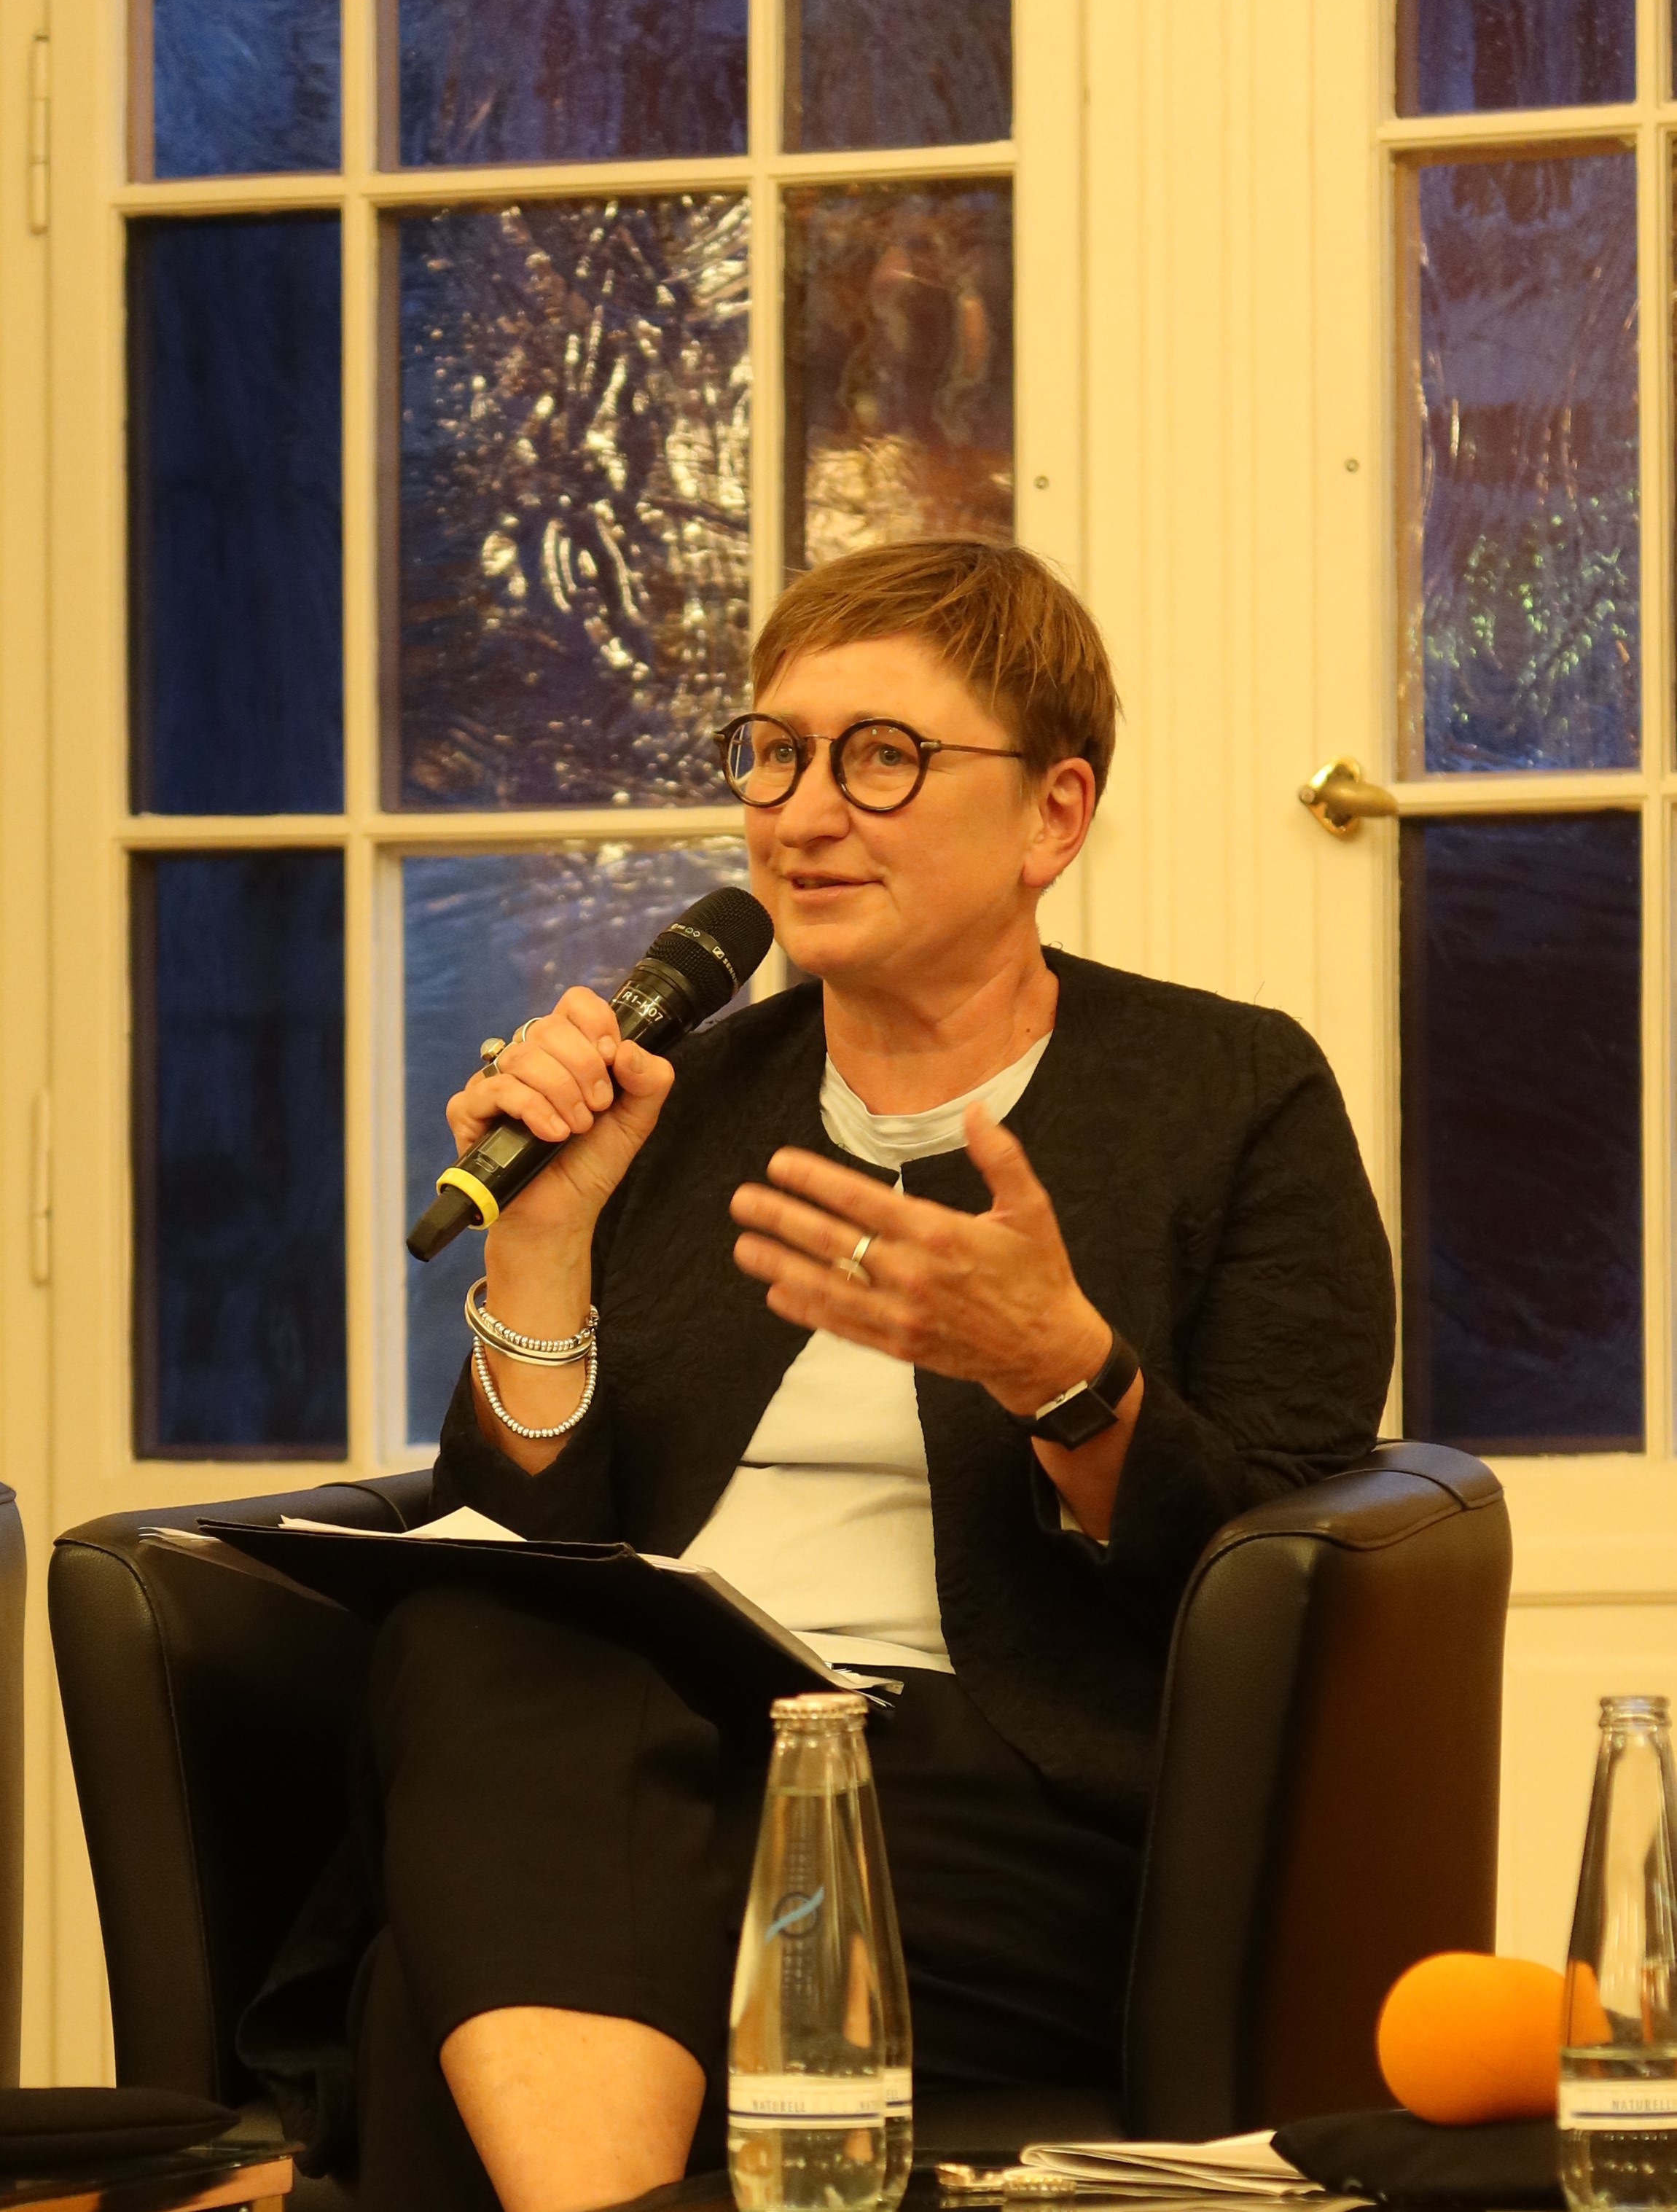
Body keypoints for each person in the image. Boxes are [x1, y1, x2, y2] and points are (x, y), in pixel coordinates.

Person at [246, 539, 1394, 2212]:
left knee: (426, 1988)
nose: (797, 813)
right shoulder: (688, 1096)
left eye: (880, 756)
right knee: (478, 1623)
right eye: (773, 751)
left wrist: (1065, 1378)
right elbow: (527, 1527)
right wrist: (544, 1240)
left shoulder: (1228, 1091)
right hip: (619, 1762)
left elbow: (1289, 1565)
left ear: (1052, 818)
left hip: (977, 1790)